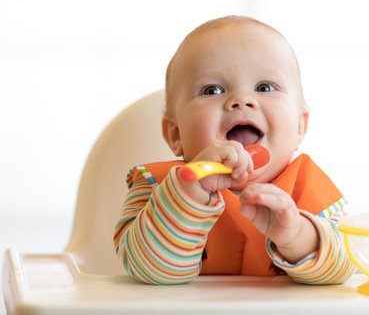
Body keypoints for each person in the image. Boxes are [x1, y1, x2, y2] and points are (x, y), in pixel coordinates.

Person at [113, 15, 355, 285]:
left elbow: (347, 264)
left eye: (265, 87)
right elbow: (147, 270)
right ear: (176, 134)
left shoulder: (309, 189)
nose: (241, 100)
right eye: (212, 90)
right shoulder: (155, 187)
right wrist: (187, 195)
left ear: (300, 126)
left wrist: (297, 235)